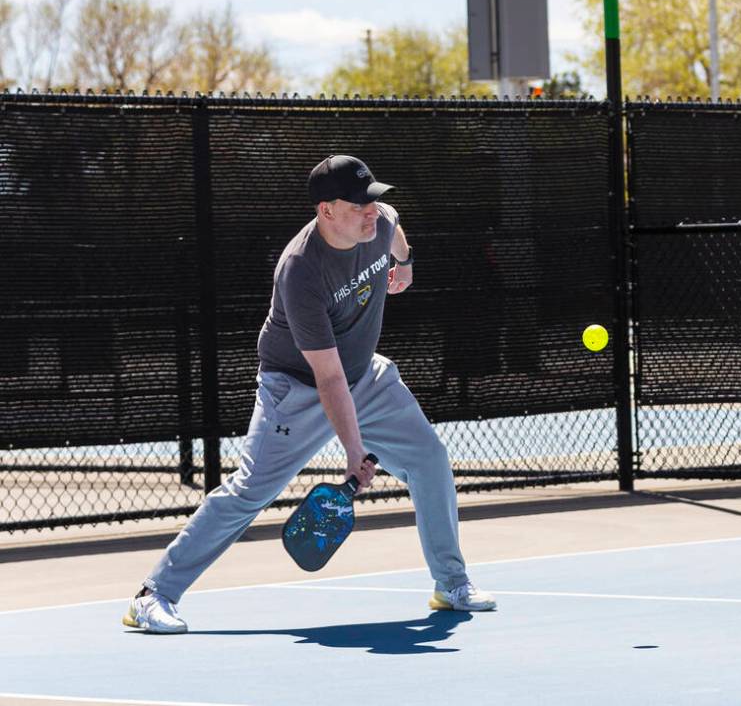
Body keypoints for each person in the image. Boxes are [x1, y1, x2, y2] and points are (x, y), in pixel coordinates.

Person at [123, 154, 496, 633]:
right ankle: (153, 596)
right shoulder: (300, 271)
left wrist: (405, 263)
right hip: (296, 390)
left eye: (373, 201)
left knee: (429, 460)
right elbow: (328, 377)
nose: (371, 212)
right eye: (358, 204)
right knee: (250, 491)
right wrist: (354, 450)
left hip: (366, 376)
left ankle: (451, 583)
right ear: (325, 211)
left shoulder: (377, 222)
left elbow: (395, 227)